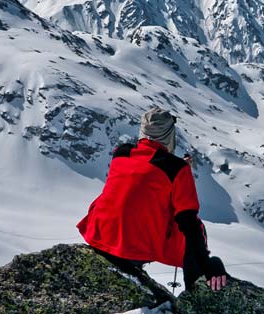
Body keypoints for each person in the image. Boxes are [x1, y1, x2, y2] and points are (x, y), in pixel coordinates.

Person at [77, 106, 228, 291]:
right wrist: (206, 263)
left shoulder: (121, 153)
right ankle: (195, 292)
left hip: (97, 235)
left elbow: (144, 176)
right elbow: (188, 221)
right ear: (169, 134)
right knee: (193, 225)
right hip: (132, 250)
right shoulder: (177, 169)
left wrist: (177, 167)